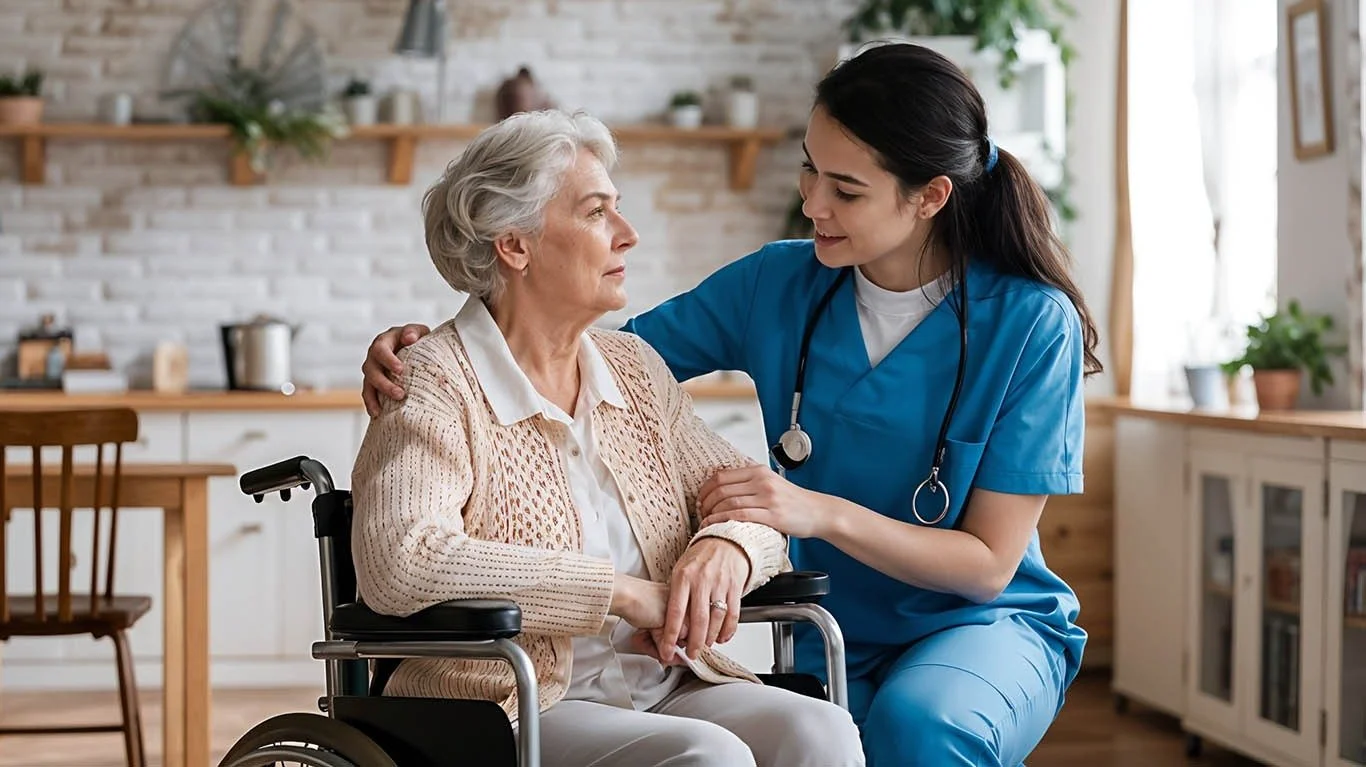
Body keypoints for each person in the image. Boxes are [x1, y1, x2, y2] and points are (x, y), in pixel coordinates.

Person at [360, 42, 1100, 767]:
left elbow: (986, 563)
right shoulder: (779, 284)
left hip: (974, 618)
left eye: (846, 190)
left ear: (931, 196)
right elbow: (569, 351)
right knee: (809, 733)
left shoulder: (1030, 322)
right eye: (810, 170)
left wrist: (788, 519)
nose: (812, 203)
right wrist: (437, 346)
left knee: (919, 727)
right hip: (830, 619)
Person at [349, 108, 864, 767]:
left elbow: (752, 501)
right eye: (596, 213)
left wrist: (724, 549)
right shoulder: (435, 381)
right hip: (514, 703)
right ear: (514, 244)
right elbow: (402, 560)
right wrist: (621, 592)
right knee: (709, 756)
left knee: (821, 731)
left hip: (668, 684)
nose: (627, 235)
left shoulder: (635, 369)